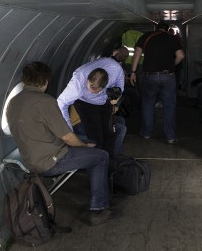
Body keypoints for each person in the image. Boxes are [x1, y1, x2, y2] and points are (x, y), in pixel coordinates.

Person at [7, 61, 120, 225]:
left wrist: (83, 143)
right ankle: (99, 209)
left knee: (89, 142)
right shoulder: (45, 101)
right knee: (101, 155)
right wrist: (83, 146)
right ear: (45, 82)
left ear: (24, 81)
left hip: (30, 158)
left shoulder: (13, 101)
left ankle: (97, 185)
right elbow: (67, 137)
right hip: (51, 160)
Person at [57, 48, 128, 155]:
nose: (94, 91)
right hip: (84, 104)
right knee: (96, 137)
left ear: (105, 86)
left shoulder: (116, 70)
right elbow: (61, 103)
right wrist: (69, 131)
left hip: (103, 103)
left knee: (109, 134)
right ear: (88, 80)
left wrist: (116, 94)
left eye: (97, 90)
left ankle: (109, 159)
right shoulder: (78, 81)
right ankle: (97, 159)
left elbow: (120, 87)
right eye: (91, 88)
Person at [130, 22, 185, 143]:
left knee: (148, 104)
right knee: (169, 106)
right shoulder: (172, 38)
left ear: (156, 28)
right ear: (167, 29)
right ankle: (170, 136)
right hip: (168, 76)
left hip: (150, 76)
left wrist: (133, 72)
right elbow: (181, 55)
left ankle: (146, 133)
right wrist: (172, 65)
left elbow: (137, 54)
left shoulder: (146, 36)